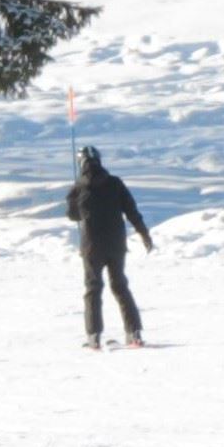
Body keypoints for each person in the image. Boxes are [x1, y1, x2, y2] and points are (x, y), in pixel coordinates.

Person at [63, 143, 151, 348]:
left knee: (93, 289)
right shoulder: (115, 183)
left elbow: (73, 216)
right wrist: (143, 233)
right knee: (120, 286)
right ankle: (134, 333)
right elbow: (131, 211)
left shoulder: (78, 187)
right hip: (116, 244)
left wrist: (74, 197)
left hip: (91, 246)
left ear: (80, 163)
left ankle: (93, 337)